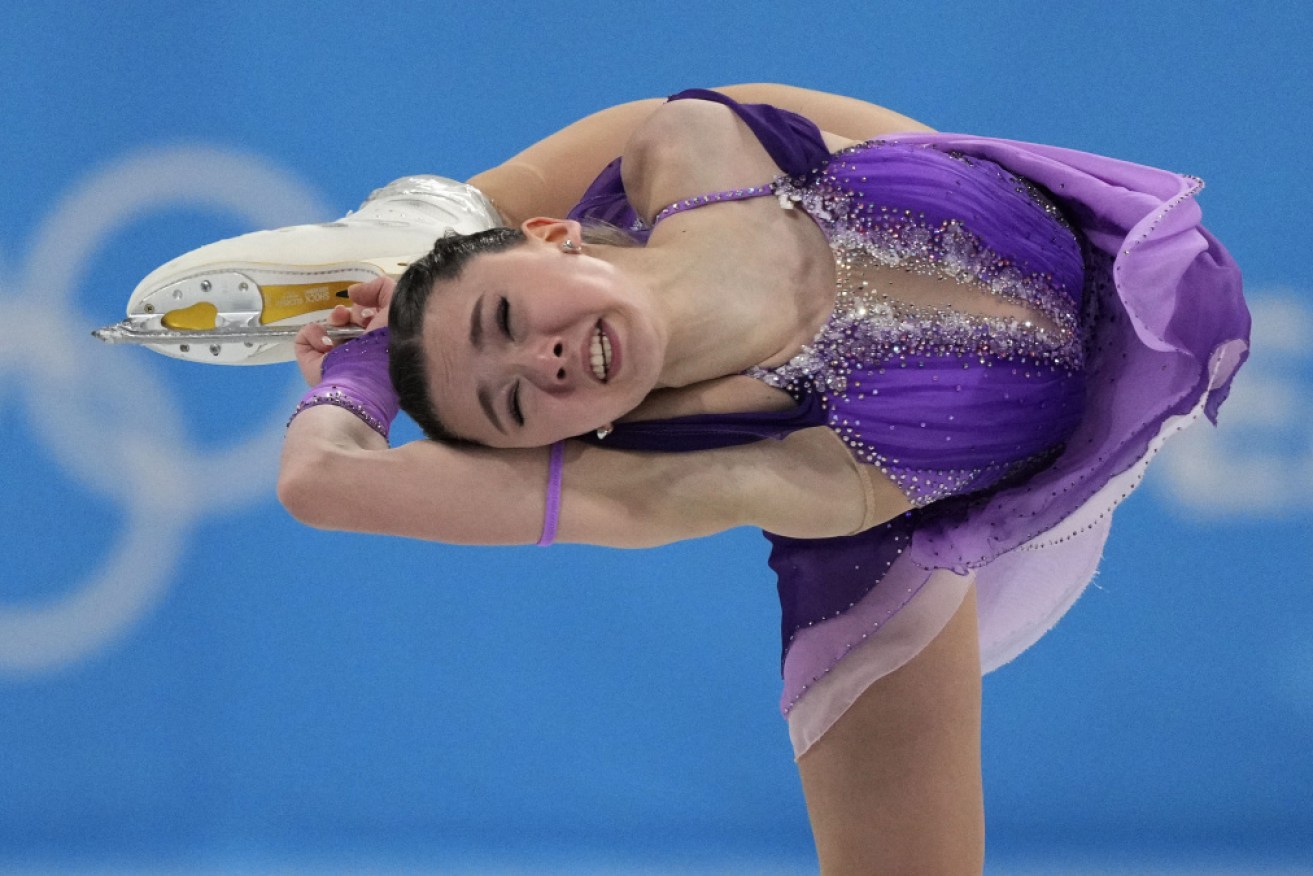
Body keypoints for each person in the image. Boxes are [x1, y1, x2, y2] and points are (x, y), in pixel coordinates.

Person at [266, 85, 1247, 875]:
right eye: (512, 407)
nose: (541, 365)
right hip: (892, 539)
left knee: (678, 128)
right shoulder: (736, 472)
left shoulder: (698, 146)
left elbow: (551, 192)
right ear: (558, 438)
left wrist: (419, 239)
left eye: (506, 322)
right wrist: (356, 382)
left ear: (552, 235)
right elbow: (320, 485)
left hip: (1019, 219)